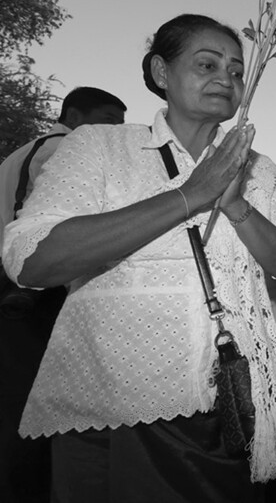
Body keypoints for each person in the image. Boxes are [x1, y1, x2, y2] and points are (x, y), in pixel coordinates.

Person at [1, 14, 276, 502]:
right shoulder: (101, 146)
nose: (225, 79)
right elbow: (32, 260)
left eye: (236, 71)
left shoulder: (260, 170)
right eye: (207, 63)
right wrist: (191, 194)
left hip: (230, 407)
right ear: (161, 73)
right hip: (116, 401)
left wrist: (235, 204)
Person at [0, 86, 126, 503]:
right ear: (74, 115)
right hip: (37, 296)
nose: (114, 133)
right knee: (42, 412)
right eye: (108, 121)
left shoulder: (21, 152)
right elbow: (57, 235)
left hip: (13, 293)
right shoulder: (66, 151)